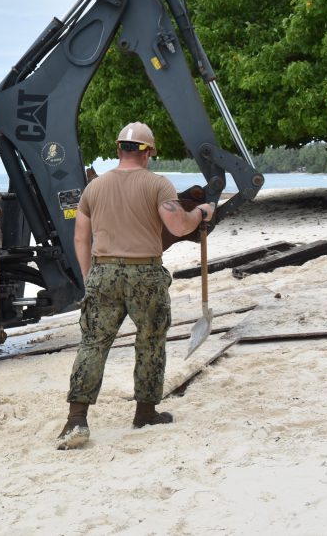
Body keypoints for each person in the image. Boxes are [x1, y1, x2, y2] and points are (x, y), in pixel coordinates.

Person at [56, 122, 214, 450]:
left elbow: (80, 237)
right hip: (145, 273)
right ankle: (145, 413)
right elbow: (179, 225)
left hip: (103, 273)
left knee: (93, 344)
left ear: (118, 150)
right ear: (149, 152)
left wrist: (89, 278)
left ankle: (76, 421)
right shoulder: (157, 185)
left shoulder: (93, 189)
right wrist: (201, 212)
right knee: (151, 342)